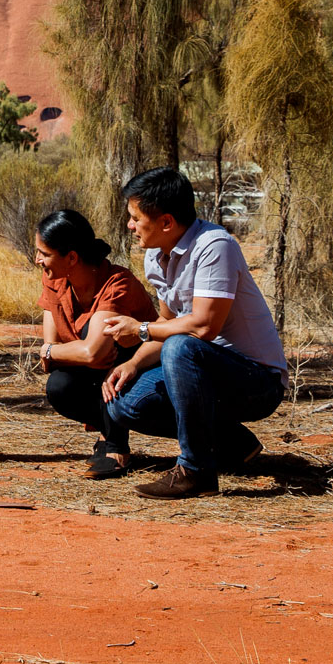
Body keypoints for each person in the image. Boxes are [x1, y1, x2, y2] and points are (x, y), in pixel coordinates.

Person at [85, 166, 288, 499]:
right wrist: (133, 364)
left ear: (166, 222)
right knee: (123, 405)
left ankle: (196, 471)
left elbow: (204, 327)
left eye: (136, 218)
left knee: (180, 347)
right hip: (202, 371)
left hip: (257, 381)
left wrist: (139, 329)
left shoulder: (214, 246)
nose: (130, 225)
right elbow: (166, 326)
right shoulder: (156, 256)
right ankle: (232, 443)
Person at [32, 208, 161, 477]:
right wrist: (52, 351)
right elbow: (50, 353)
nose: (37, 260)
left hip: (145, 373)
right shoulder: (54, 279)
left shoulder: (116, 282)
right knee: (59, 386)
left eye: (44, 254)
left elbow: (93, 352)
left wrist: (54, 352)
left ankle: (116, 448)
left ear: (72, 257)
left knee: (101, 342)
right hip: (100, 371)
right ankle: (106, 432)